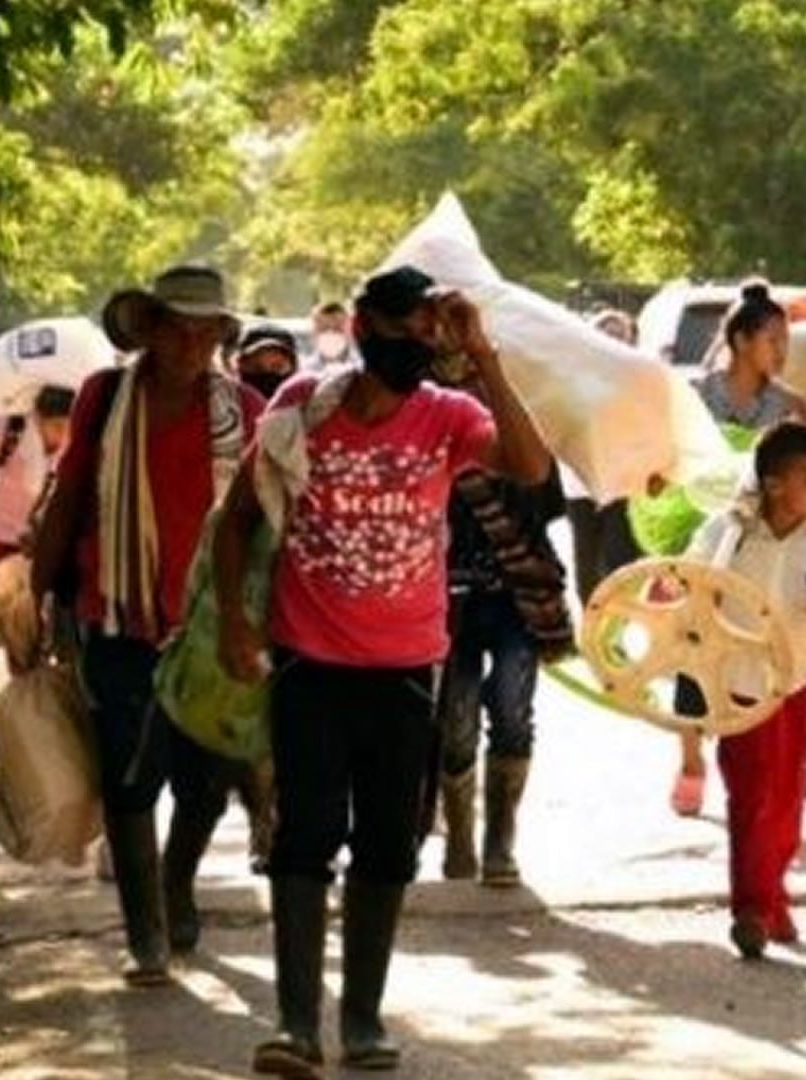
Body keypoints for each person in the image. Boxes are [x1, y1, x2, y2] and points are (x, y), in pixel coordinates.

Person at [215, 266, 549, 1075]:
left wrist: (484, 355)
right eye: (405, 332)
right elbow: (237, 520)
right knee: (303, 839)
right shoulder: (305, 406)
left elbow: (531, 467)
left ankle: (361, 1020)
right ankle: (297, 1025)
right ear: (363, 329)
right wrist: (233, 618)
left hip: (405, 671)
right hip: (308, 663)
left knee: (389, 845)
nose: (418, 349)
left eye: (431, 335)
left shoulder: (448, 415)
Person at [30, 265, 267, 986]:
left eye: (207, 330)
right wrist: (37, 600)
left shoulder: (247, 411)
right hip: (116, 617)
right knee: (131, 779)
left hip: (206, 629)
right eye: (178, 326)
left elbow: (263, 526)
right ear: (150, 329)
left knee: (204, 783)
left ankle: (176, 883)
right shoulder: (106, 397)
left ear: (223, 336)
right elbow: (69, 497)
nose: (192, 343)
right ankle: (146, 936)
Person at [682, 421, 806, 958]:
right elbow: (684, 582)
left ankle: (773, 896)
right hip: (739, 689)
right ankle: (750, 909)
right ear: (772, 484)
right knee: (750, 796)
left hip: (794, 688)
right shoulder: (727, 534)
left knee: (787, 802)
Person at [670, 284, 806, 817]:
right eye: (773, 338)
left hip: (763, 548)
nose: (781, 350)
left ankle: (746, 764)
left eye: (785, 340)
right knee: (693, 647)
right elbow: (672, 461)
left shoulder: (787, 406)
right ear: (742, 339)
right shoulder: (697, 395)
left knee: (751, 653)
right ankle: (689, 759)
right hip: (704, 539)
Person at [435, 378, 570, 887]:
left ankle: (499, 840)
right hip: (451, 602)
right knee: (456, 717)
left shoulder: (526, 441)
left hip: (518, 599)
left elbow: (547, 507)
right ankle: (460, 836)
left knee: (513, 710)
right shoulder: (436, 439)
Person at [564, 307, 644, 606]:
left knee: (620, 556)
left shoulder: (637, 380)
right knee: (586, 559)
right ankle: (592, 625)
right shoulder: (572, 379)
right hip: (581, 484)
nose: (614, 342)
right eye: (606, 335)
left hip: (622, 484)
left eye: (621, 336)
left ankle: (623, 622)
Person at [0, 386, 72, 565]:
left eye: (68, 426)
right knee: (8, 591)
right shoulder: (8, 428)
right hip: (1, 534)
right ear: (39, 418)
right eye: (57, 426)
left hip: (45, 537)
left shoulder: (71, 440)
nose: (63, 433)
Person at [236, 325, 300, 401]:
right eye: (257, 368)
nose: (268, 373)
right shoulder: (226, 400)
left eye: (277, 367)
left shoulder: (307, 403)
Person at [310, 301, 351, 369]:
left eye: (337, 329)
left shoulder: (363, 367)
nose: (330, 334)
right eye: (324, 329)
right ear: (314, 332)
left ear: (349, 331)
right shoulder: (303, 369)